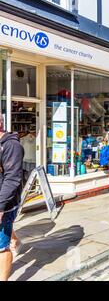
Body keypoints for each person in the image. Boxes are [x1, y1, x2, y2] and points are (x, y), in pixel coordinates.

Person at [0, 115, 24, 281]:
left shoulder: (11, 145)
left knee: (1, 247)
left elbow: (12, 178)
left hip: (5, 204)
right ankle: (15, 240)